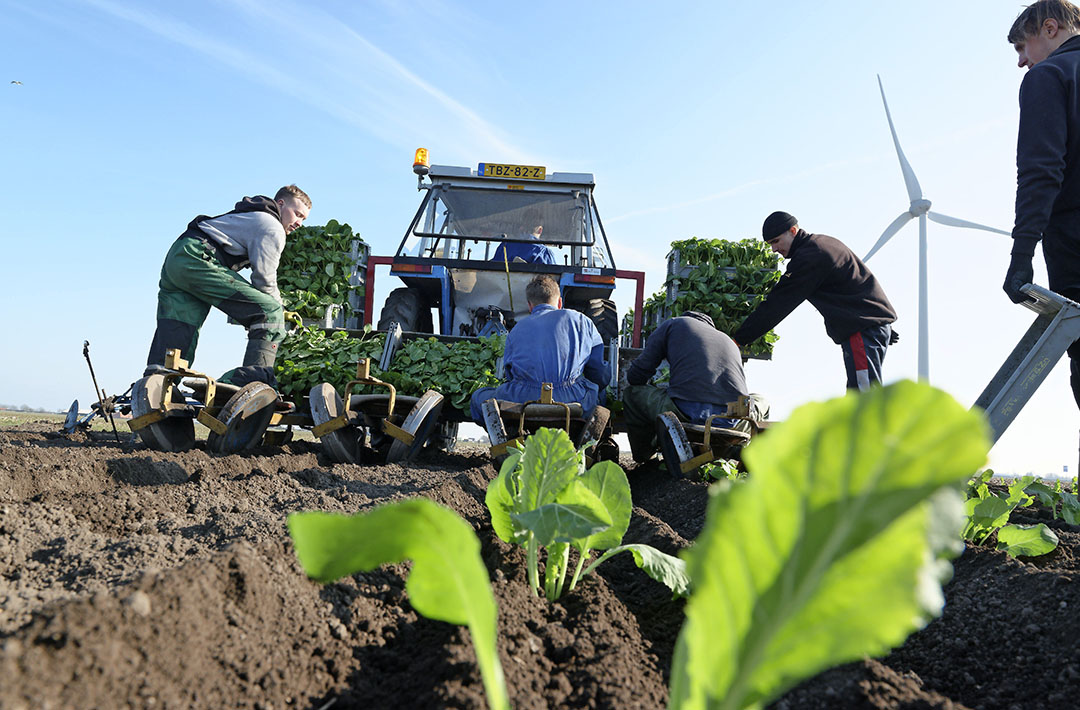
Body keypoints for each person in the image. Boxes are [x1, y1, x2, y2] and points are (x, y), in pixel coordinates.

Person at [145, 185, 311, 385]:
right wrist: (280, 310)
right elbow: (264, 280)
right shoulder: (272, 226)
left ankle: (158, 388)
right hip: (199, 257)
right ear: (281, 204)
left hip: (179, 257)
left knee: (180, 325)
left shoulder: (252, 216)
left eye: (304, 219)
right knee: (269, 312)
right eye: (297, 214)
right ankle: (250, 384)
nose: (299, 222)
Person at [1004, 0, 1080, 410]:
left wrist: (1021, 256)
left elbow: (1041, 173)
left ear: (1049, 28)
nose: (1021, 62)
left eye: (1021, 47)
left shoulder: (1049, 76)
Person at [734, 211, 898, 391]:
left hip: (862, 328)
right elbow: (857, 282)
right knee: (857, 394)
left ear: (793, 231)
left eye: (776, 241)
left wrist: (739, 339)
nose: (773, 249)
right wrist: (881, 323)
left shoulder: (810, 256)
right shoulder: (824, 243)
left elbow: (779, 303)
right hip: (870, 324)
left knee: (864, 395)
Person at [623, 312, 766, 463]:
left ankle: (644, 457)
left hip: (684, 415)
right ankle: (751, 460)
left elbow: (636, 376)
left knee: (632, 395)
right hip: (736, 421)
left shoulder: (673, 324)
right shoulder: (728, 340)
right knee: (761, 400)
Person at [470, 274, 609, 422]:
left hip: (522, 399)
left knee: (479, 397)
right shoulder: (582, 321)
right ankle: (587, 438)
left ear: (530, 306)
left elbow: (510, 374)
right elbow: (599, 372)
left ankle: (504, 437)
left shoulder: (516, 330)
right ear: (560, 302)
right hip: (573, 399)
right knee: (599, 392)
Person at [490, 206, 557, 265]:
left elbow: (492, 269)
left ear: (521, 228)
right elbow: (552, 277)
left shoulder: (504, 246)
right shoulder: (544, 253)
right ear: (540, 230)